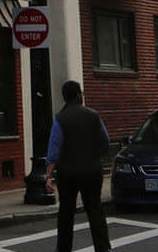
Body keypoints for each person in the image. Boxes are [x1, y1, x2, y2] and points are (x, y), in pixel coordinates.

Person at [45, 80, 111, 252]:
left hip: (68, 173)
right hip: (92, 171)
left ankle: (64, 248)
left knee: (66, 213)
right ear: (78, 95)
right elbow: (105, 142)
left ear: (65, 97)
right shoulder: (93, 116)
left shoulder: (60, 119)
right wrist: (95, 156)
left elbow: (54, 149)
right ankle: (103, 248)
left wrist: (48, 176)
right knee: (95, 210)